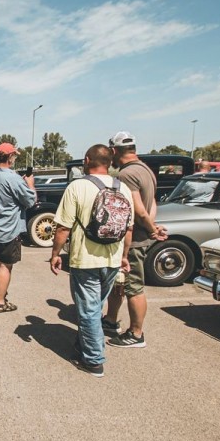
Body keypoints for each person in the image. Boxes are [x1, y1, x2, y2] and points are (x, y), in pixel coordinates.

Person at [50, 145, 134, 377]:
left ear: (87, 160)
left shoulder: (77, 186)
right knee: (94, 307)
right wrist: (124, 256)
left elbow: (63, 227)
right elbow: (128, 229)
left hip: (85, 258)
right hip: (113, 258)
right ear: (110, 162)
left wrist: (56, 254)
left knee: (88, 310)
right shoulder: (123, 188)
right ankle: (83, 345)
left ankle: (94, 360)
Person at [104, 132, 168, 347]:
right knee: (118, 283)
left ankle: (136, 333)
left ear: (114, 151)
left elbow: (138, 210)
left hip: (134, 240)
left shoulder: (126, 175)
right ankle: (111, 320)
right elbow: (153, 204)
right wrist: (154, 225)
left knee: (133, 286)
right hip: (140, 235)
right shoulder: (146, 170)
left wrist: (151, 230)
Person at [0, 143, 36, 312]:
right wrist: (30, 184)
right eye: (14, 156)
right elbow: (30, 201)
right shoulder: (13, 178)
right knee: (5, 265)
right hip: (8, 230)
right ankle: (0, 302)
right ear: (10, 157)